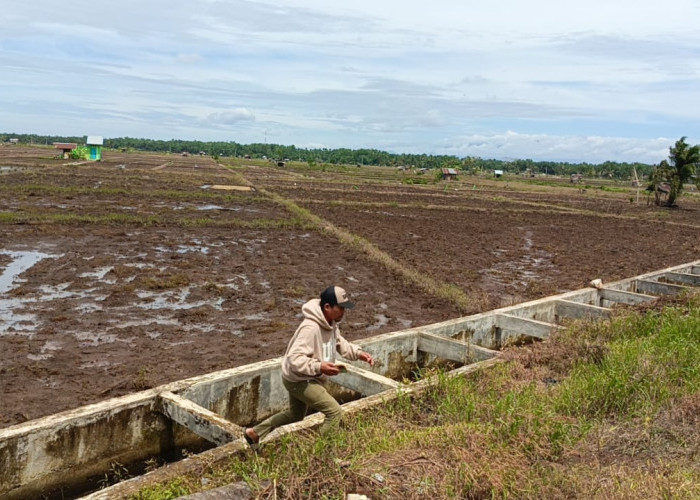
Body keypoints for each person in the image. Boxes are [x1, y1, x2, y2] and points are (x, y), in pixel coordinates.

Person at [244, 285, 374, 447]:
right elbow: (294, 358)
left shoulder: (331, 324)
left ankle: (254, 433)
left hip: (306, 376)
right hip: (299, 379)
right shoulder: (310, 328)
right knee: (334, 412)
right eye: (340, 308)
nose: (343, 312)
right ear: (327, 307)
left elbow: (341, 343)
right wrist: (320, 367)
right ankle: (325, 457)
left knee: (295, 414)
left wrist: (359, 353)